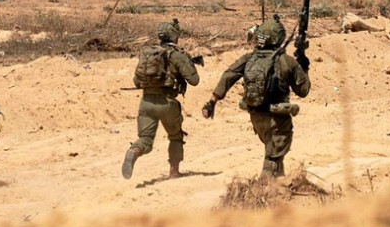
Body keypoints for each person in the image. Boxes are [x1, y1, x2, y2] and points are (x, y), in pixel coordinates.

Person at [202, 16, 310, 177]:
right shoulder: (286, 61)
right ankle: (262, 195)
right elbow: (303, 91)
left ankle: (280, 189)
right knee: (272, 158)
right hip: (277, 119)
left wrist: (212, 102)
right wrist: (303, 65)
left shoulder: (249, 58)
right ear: (279, 37)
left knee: (274, 154)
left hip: (256, 118)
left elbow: (228, 76)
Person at [122, 19, 200, 180]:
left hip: (146, 103)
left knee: (145, 139)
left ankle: (134, 151)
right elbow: (195, 80)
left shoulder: (148, 53)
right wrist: (188, 65)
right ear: (175, 37)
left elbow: (137, 81)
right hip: (167, 103)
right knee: (175, 136)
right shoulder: (177, 55)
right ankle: (174, 172)